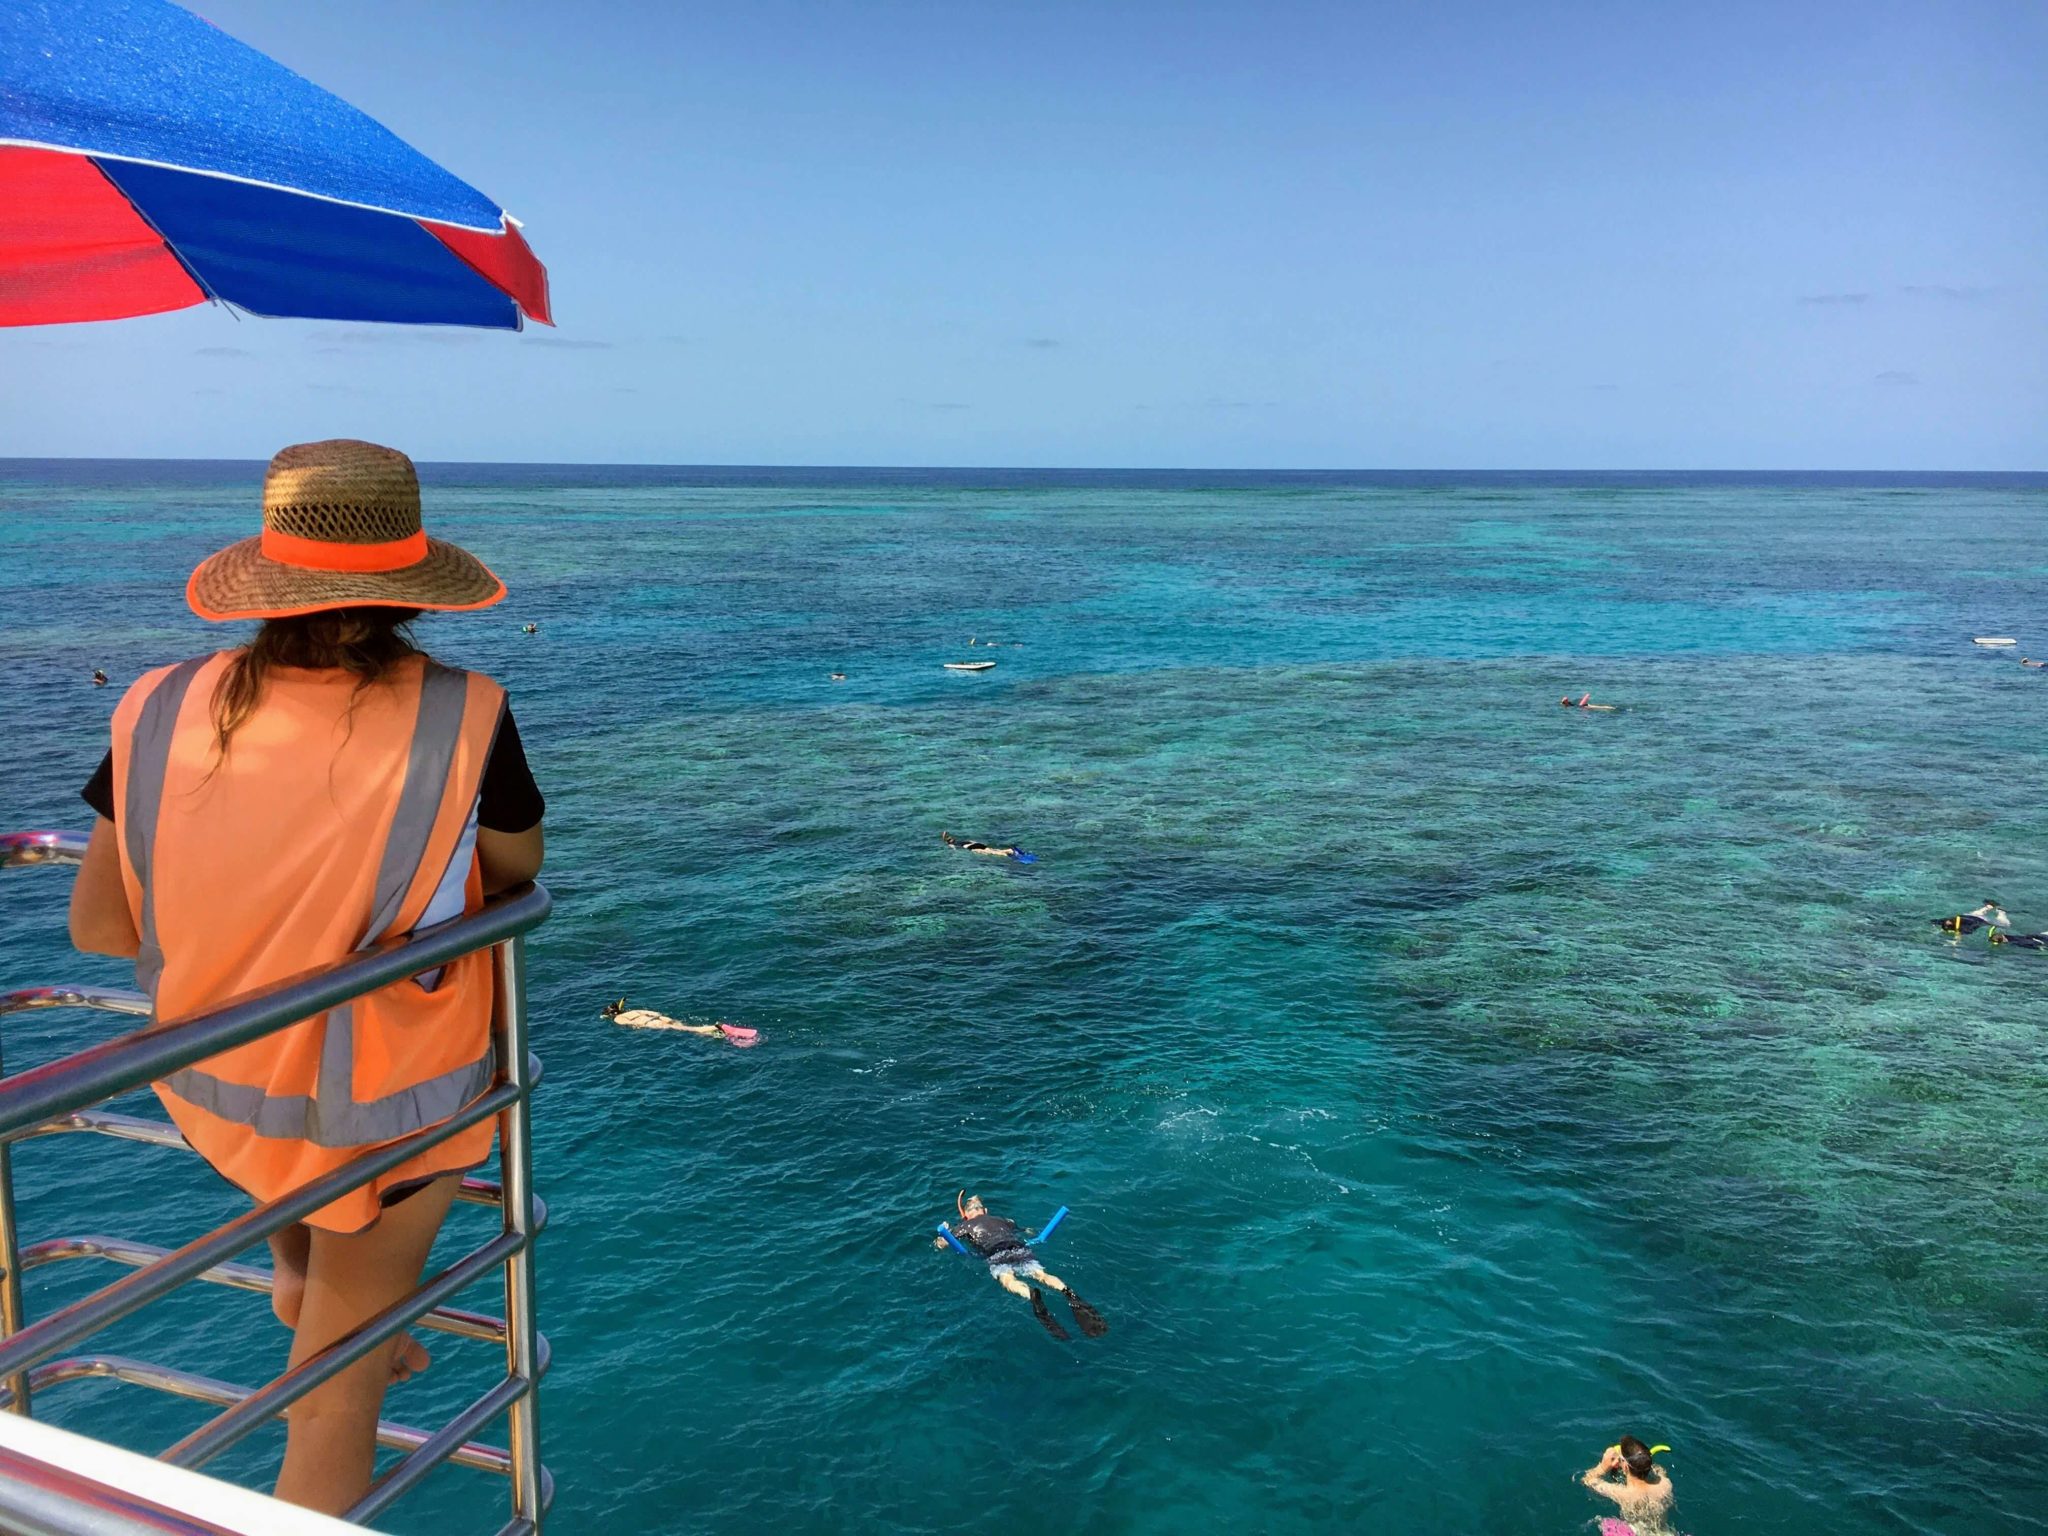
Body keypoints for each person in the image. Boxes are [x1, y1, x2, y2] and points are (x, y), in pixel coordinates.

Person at [66, 441, 545, 1517]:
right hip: (385, 1113)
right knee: (336, 1406)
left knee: (325, 1255)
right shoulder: (462, 710)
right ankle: (349, 1337)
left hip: (215, 1089)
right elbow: (519, 871)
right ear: (413, 586)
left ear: (267, 579)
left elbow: (98, 927)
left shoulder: (155, 702)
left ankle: (315, 1285)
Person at [934, 1192, 1106, 1340]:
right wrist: (1028, 1231)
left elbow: (942, 1244)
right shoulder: (1003, 1220)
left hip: (995, 1253)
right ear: (985, 1210)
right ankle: (1068, 1292)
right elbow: (1026, 1230)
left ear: (967, 1214)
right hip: (1019, 1248)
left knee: (1008, 1279)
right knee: (1042, 1275)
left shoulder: (965, 1225)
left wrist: (945, 1233)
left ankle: (1031, 1294)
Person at [1581, 1436, 1674, 1534]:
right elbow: (1660, 1471)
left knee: (1605, 1523)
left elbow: (1588, 1480)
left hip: (1638, 1532)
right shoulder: (1665, 1484)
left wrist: (1603, 1467)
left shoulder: (1623, 1494)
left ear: (1625, 1466)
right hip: (1666, 1533)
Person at [601, 998, 758, 1046]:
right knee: (685, 1026)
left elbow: (636, 1025)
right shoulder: (632, 1011)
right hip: (660, 1018)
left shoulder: (618, 1019)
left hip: (654, 1024)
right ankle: (715, 1032)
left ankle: (718, 1029)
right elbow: (654, 1013)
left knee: (691, 1030)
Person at [1932, 899, 2011, 935]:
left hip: (1980, 919)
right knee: (1977, 913)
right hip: (1969, 916)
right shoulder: (1948, 920)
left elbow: (1970, 931)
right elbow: (1934, 921)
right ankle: (1988, 907)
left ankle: (2001, 912)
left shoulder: (1965, 928)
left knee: (2005, 924)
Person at [941, 830, 1021, 857]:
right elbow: (973, 841)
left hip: (971, 847)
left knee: (992, 853)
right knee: (993, 850)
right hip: (977, 844)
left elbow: (955, 850)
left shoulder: (952, 844)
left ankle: (1007, 854)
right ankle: (1009, 850)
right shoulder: (962, 840)